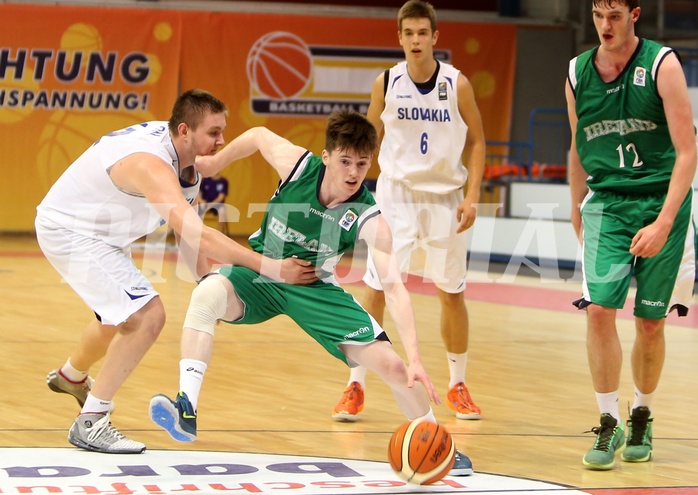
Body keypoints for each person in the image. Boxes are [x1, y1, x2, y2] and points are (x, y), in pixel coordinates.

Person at [148, 110, 474, 476]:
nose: (353, 172)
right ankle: (186, 408)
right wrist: (213, 162)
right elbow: (257, 134)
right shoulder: (297, 167)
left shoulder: (369, 216)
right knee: (206, 295)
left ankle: (441, 444)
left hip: (314, 288)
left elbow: (395, 288)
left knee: (395, 368)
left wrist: (415, 356)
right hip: (260, 274)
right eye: (345, 161)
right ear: (327, 156)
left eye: (362, 164)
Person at [37, 89, 316, 454]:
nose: (221, 141)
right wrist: (274, 268)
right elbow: (203, 236)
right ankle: (91, 421)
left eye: (222, 131)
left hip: (102, 232)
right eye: (213, 133)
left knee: (117, 314)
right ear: (184, 130)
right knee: (147, 317)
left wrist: (206, 283)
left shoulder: (186, 161)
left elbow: (188, 233)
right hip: (71, 231)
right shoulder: (151, 164)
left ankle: (72, 376)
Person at [331, 0, 486, 423]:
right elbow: (366, 142)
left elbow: (477, 142)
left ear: (435, 37)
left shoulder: (457, 84)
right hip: (396, 195)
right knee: (378, 288)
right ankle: (355, 384)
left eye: (423, 33)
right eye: (408, 33)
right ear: (398, 37)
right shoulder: (385, 82)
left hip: (445, 200)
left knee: (451, 292)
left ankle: (457, 384)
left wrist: (472, 195)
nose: (416, 40)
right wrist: (351, 187)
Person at [566, 0, 696, 470]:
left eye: (615, 16)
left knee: (650, 322)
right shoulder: (577, 72)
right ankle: (607, 422)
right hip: (607, 204)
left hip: (662, 201)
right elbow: (577, 144)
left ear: (635, 14)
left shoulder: (661, 64)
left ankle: (641, 414)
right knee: (599, 310)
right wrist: (574, 204)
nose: (605, 25)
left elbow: (687, 152)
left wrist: (663, 222)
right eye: (599, 15)